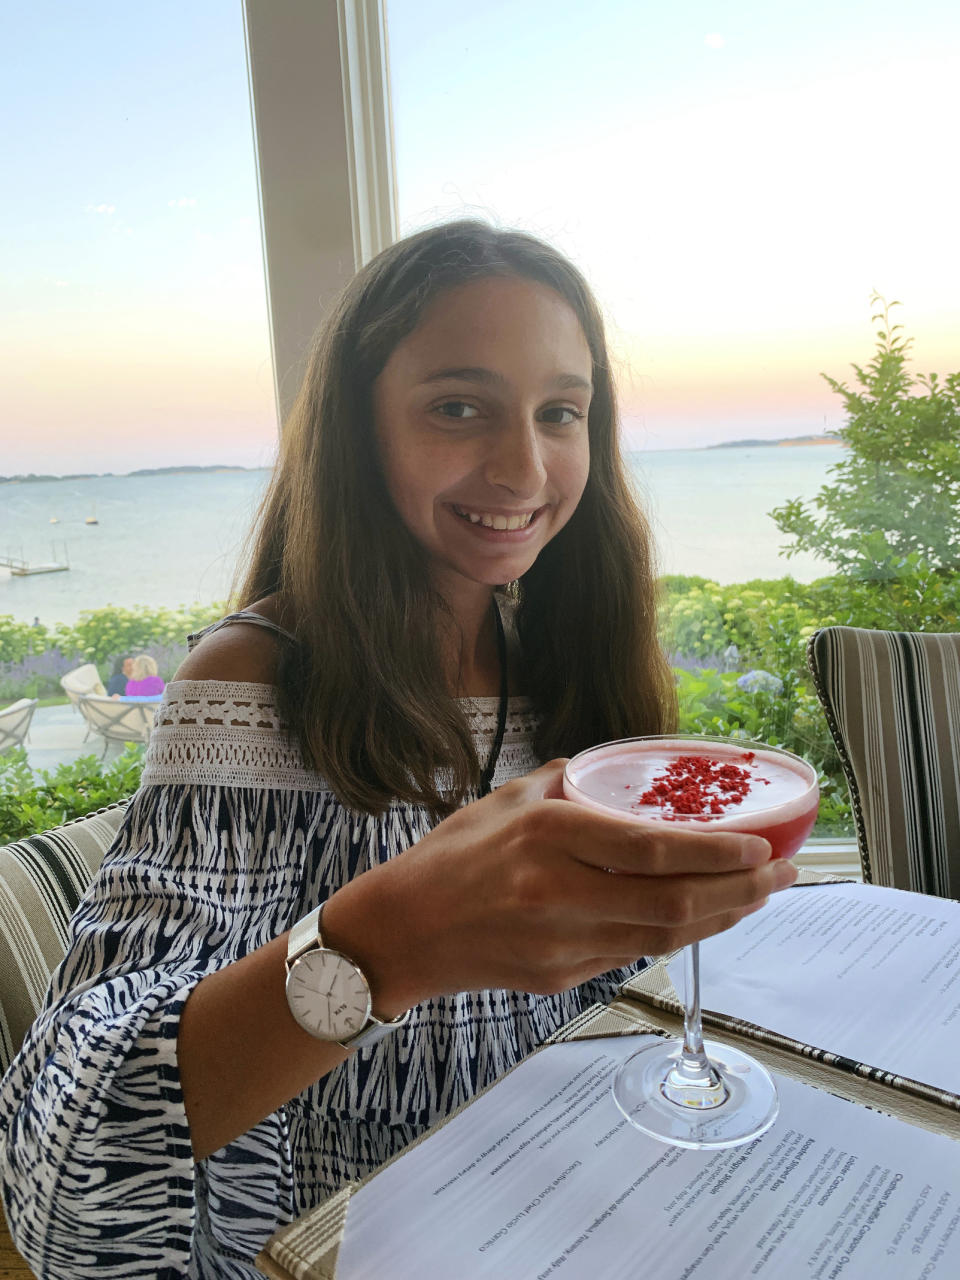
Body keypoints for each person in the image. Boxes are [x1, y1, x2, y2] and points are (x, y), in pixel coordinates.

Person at [0, 221, 795, 1278]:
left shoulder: (566, 661)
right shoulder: (254, 682)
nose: (523, 462)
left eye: (561, 411)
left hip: (589, 1208)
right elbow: (64, 1170)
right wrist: (385, 944)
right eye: (458, 406)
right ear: (359, 425)